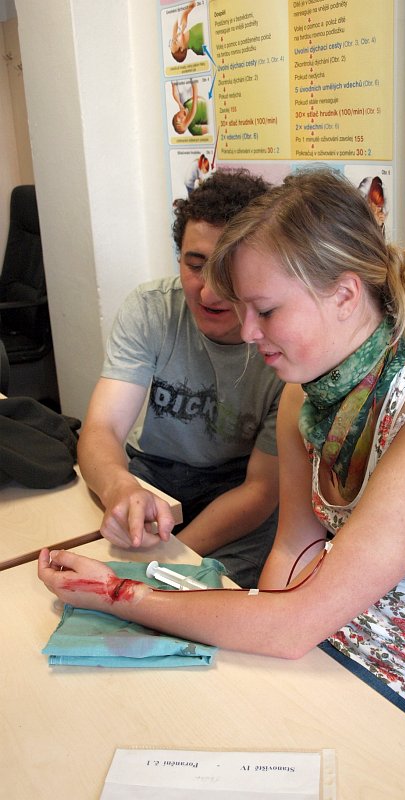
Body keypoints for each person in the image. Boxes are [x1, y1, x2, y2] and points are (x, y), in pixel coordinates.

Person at [39, 169, 405, 754]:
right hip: (330, 638)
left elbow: (292, 625)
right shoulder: (304, 396)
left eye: (264, 311)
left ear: (345, 295)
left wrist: (122, 594)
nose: (247, 332)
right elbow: (292, 554)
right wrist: (253, 641)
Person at [75, 169, 283, 588]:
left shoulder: (285, 340)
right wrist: (119, 488)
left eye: (227, 271)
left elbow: (261, 491)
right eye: (195, 265)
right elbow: (102, 427)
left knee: (193, 598)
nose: (207, 293)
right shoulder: (151, 308)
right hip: (154, 477)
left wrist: (167, 560)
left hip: (237, 493)